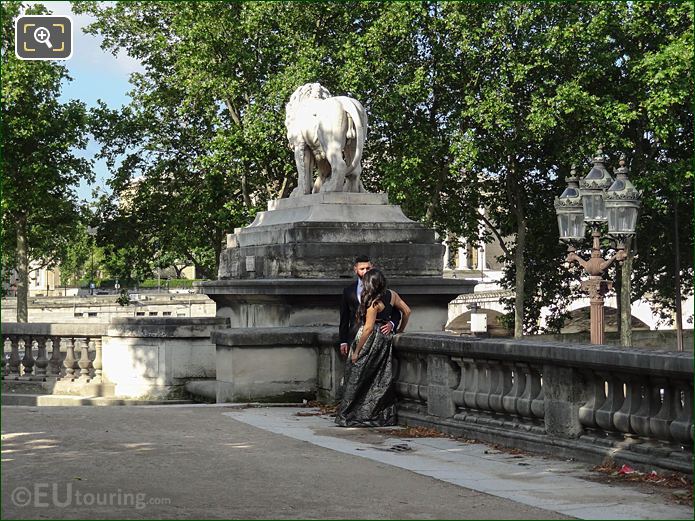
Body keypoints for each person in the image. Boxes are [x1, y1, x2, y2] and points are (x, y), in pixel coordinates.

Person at [335, 268, 411, 427]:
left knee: (356, 376)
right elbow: (407, 311)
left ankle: (350, 414)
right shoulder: (392, 295)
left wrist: (356, 351)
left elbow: (368, 328)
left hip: (370, 340)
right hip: (384, 339)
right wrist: (399, 329)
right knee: (379, 378)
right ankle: (375, 414)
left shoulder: (373, 303)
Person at [339, 256, 400, 356]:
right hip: (355, 336)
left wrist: (392, 324)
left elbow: (395, 312)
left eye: (368, 268)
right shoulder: (348, 291)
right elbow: (344, 317)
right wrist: (343, 341)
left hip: (378, 340)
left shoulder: (382, 287)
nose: (365, 271)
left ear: (372, 267)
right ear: (355, 269)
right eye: (362, 269)